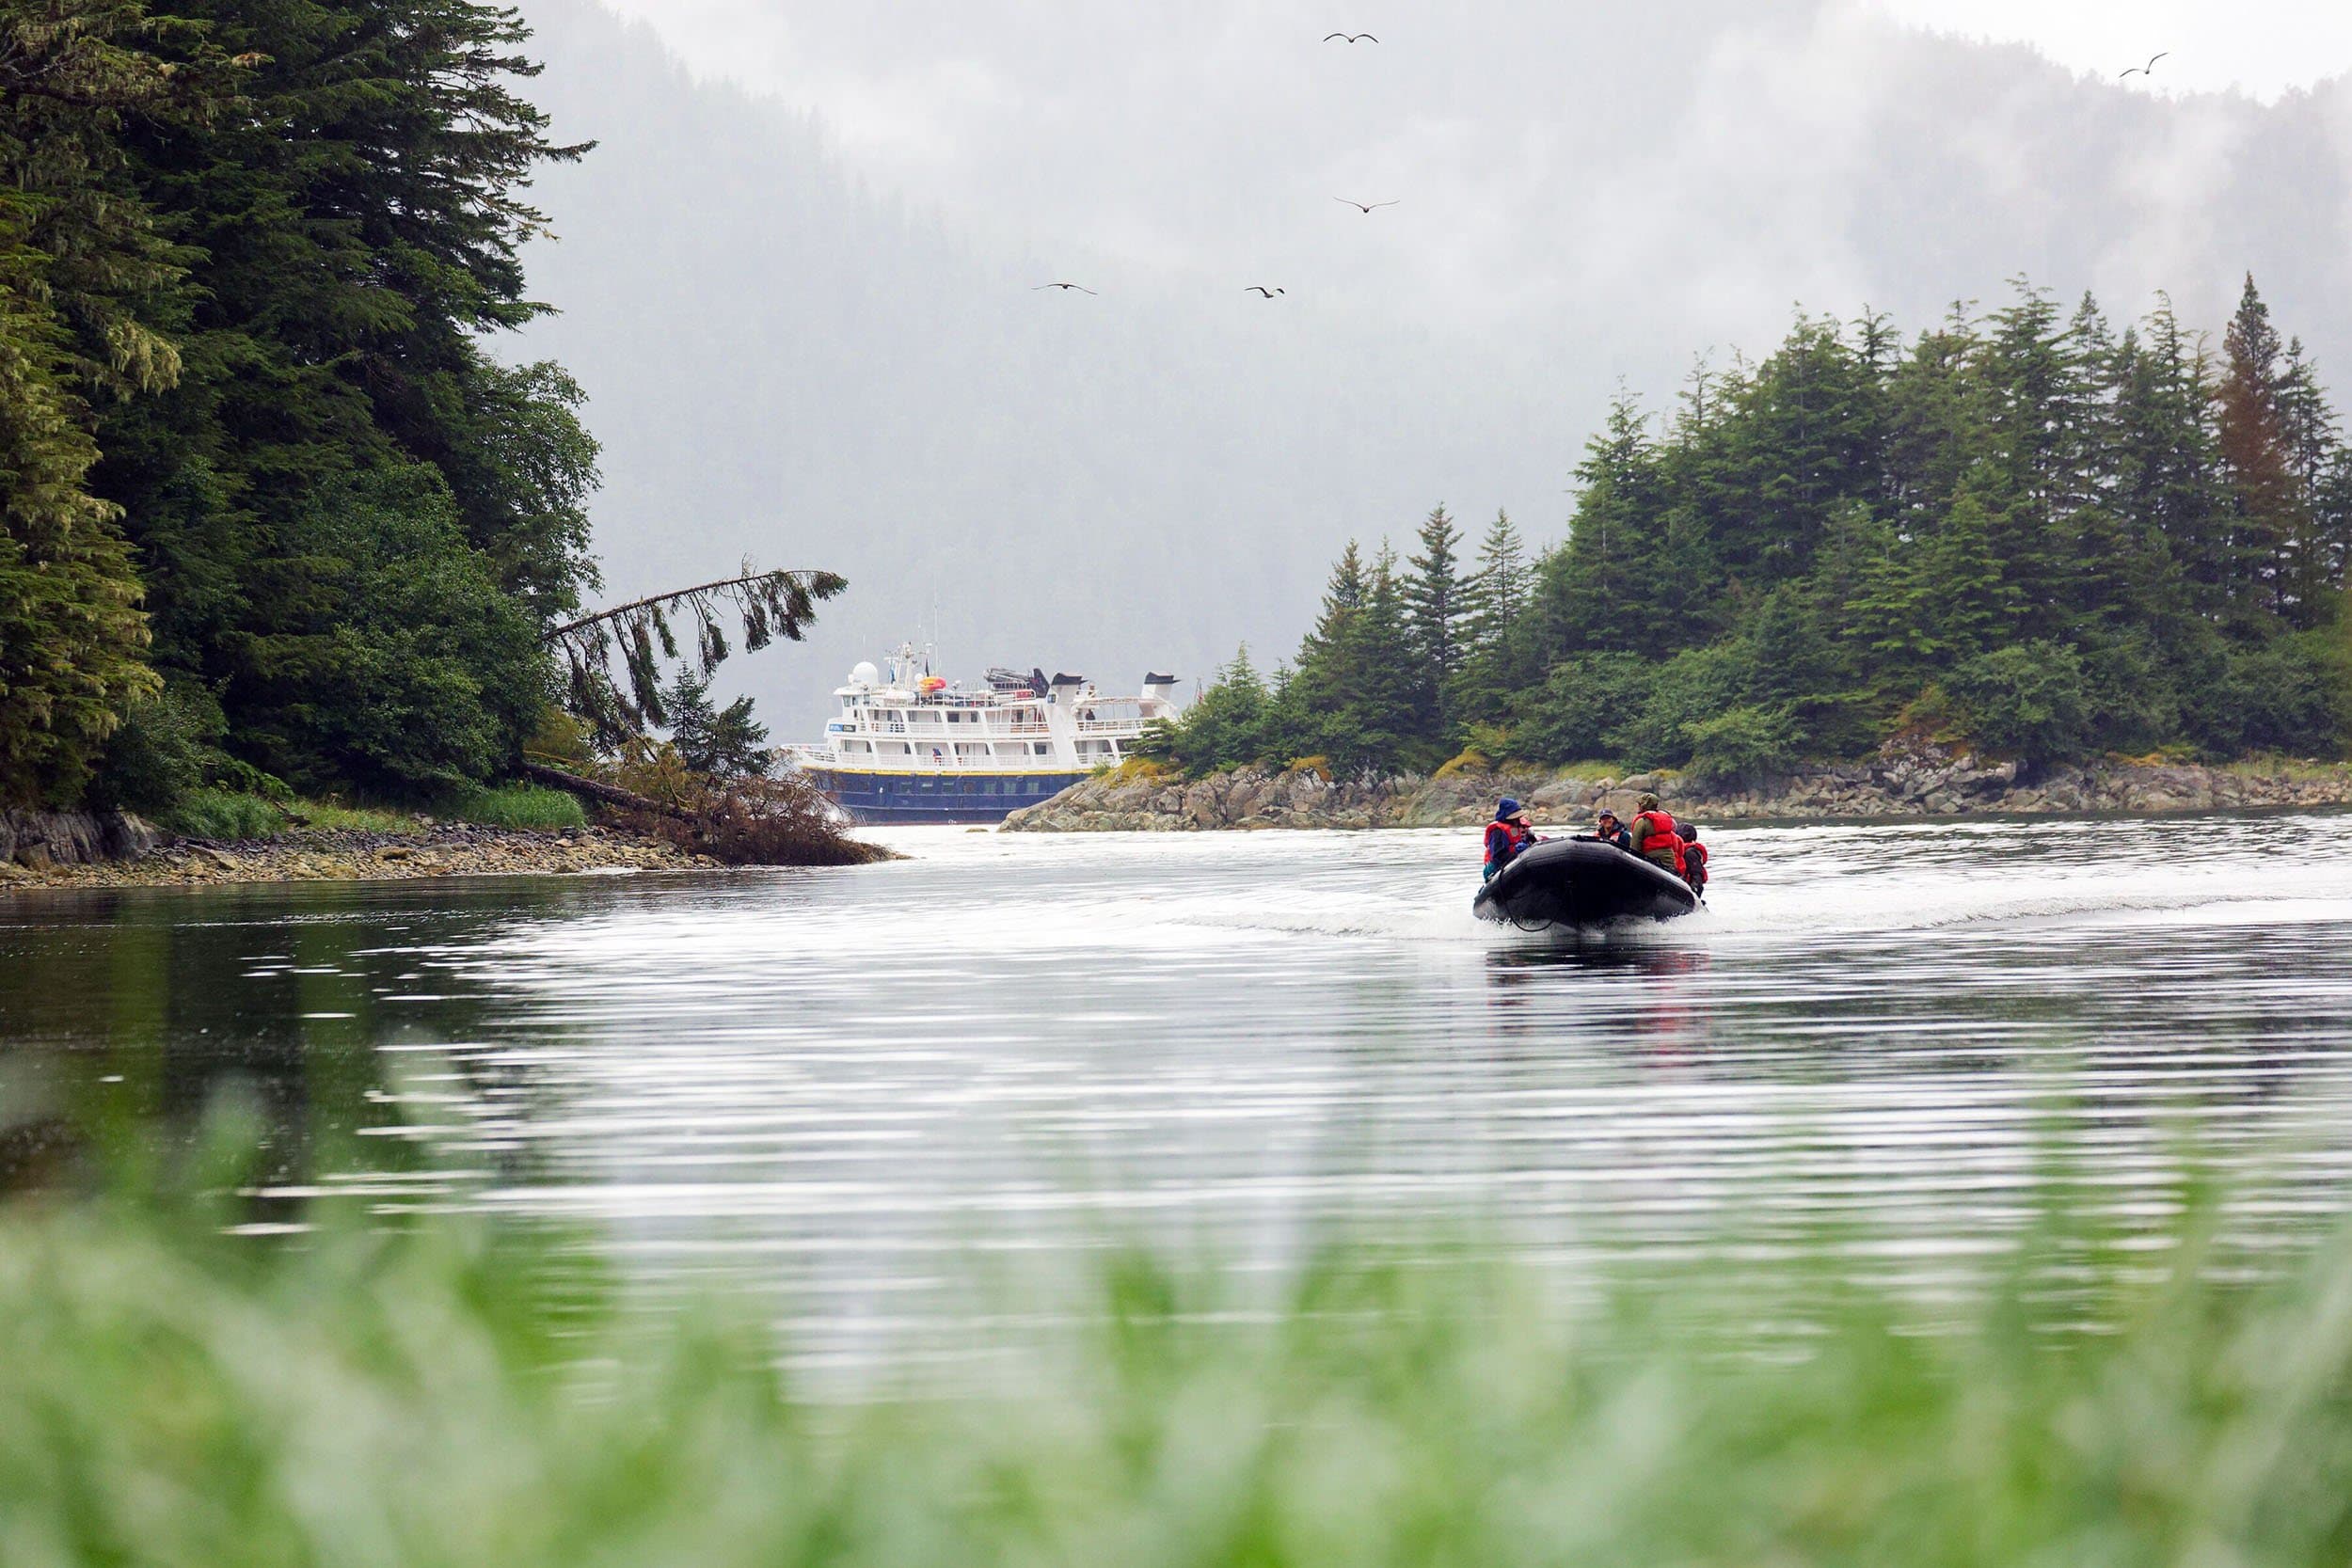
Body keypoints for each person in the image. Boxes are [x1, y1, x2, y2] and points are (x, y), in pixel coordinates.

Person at [1629, 792, 1685, 877]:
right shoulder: (1666, 820)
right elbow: (1674, 845)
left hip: (1650, 860)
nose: (1638, 806)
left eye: (1639, 804)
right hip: (1669, 860)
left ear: (1644, 805)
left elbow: (1635, 847)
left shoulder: (1642, 822)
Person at [1483, 799, 1536, 882]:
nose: (1518, 820)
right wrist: (1518, 854)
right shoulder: (1498, 831)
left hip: (1516, 862)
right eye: (1515, 817)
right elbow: (1498, 855)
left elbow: (1533, 843)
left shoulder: (1519, 829)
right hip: (1498, 868)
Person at [1680, 823, 1709, 896]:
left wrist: (1694, 892)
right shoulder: (1684, 850)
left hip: (1690, 888)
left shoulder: (1690, 853)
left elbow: (1697, 875)